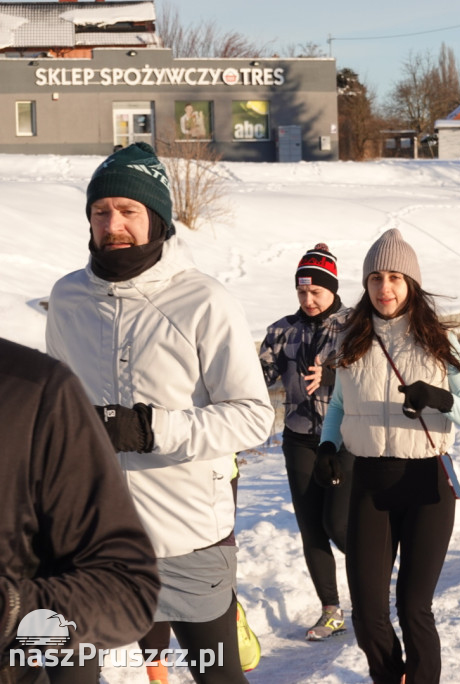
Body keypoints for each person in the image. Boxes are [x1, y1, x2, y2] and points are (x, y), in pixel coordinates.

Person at [45, 142, 275, 684]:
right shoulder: (68, 299)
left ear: (158, 219)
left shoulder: (203, 301)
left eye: (128, 211)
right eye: (101, 212)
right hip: (90, 538)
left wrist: (151, 428)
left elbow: (251, 416)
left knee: (215, 673)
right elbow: (54, 412)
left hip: (185, 535)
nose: (113, 224)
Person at [316, 228, 460, 684]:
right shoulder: (351, 338)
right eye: (375, 278)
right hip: (370, 482)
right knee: (368, 616)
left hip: (428, 485)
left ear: (411, 282)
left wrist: (441, 398)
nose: (384, 288)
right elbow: (337, 405)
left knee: (413, 609)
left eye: (394, 277)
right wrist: (328, 446)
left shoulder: (438, 341)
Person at [0, 337, 160, 684]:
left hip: (178, 517)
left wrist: (149, 427)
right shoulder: (68, 296)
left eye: (313, 290)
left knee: (212, 662)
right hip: (74, 538)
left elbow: (127, 588)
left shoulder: (34, 386)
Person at [259, 243, 351, 641]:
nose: (308, 300)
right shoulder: (282, 331)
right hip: (298, 439)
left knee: (339, 523)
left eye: (316, 291)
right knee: (312, 527)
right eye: (301, 292)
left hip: (346, 439)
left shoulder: (354, 325)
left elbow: (370, 373)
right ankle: (331, 610)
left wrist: (330, 376)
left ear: (332, 287)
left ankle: (371, 587)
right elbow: (252, 378)